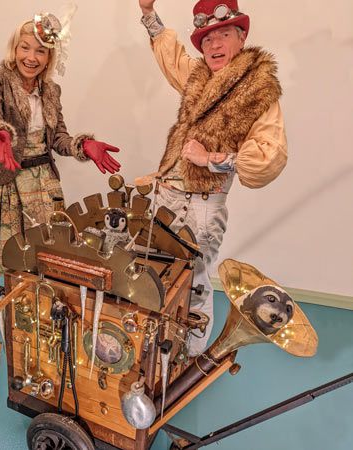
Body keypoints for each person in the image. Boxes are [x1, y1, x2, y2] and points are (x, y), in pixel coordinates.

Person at [138, 0, 288, 356]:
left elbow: (270, 155)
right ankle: (152, 359)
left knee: (193, 286)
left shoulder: (259, 88)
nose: (214, 45)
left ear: (241, 38)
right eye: (207, 39)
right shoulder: (201, 77)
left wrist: (212, 160)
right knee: (152, 277)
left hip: (203, 206)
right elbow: (173, 58)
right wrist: (148, 13)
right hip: (166, 197)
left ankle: (189, 365)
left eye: (223, 35)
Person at [0, 12, 121, 284]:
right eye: (24, 48)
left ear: (49, 57)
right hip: (9, 182)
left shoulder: (51, 90)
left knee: (48, 253)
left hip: (44, 183)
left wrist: (83, 145)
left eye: (40, 51)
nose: (31, 57)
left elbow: (58, 138)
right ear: (14, 49)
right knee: (13, 256)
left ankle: (41, 302)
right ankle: (11, 301)